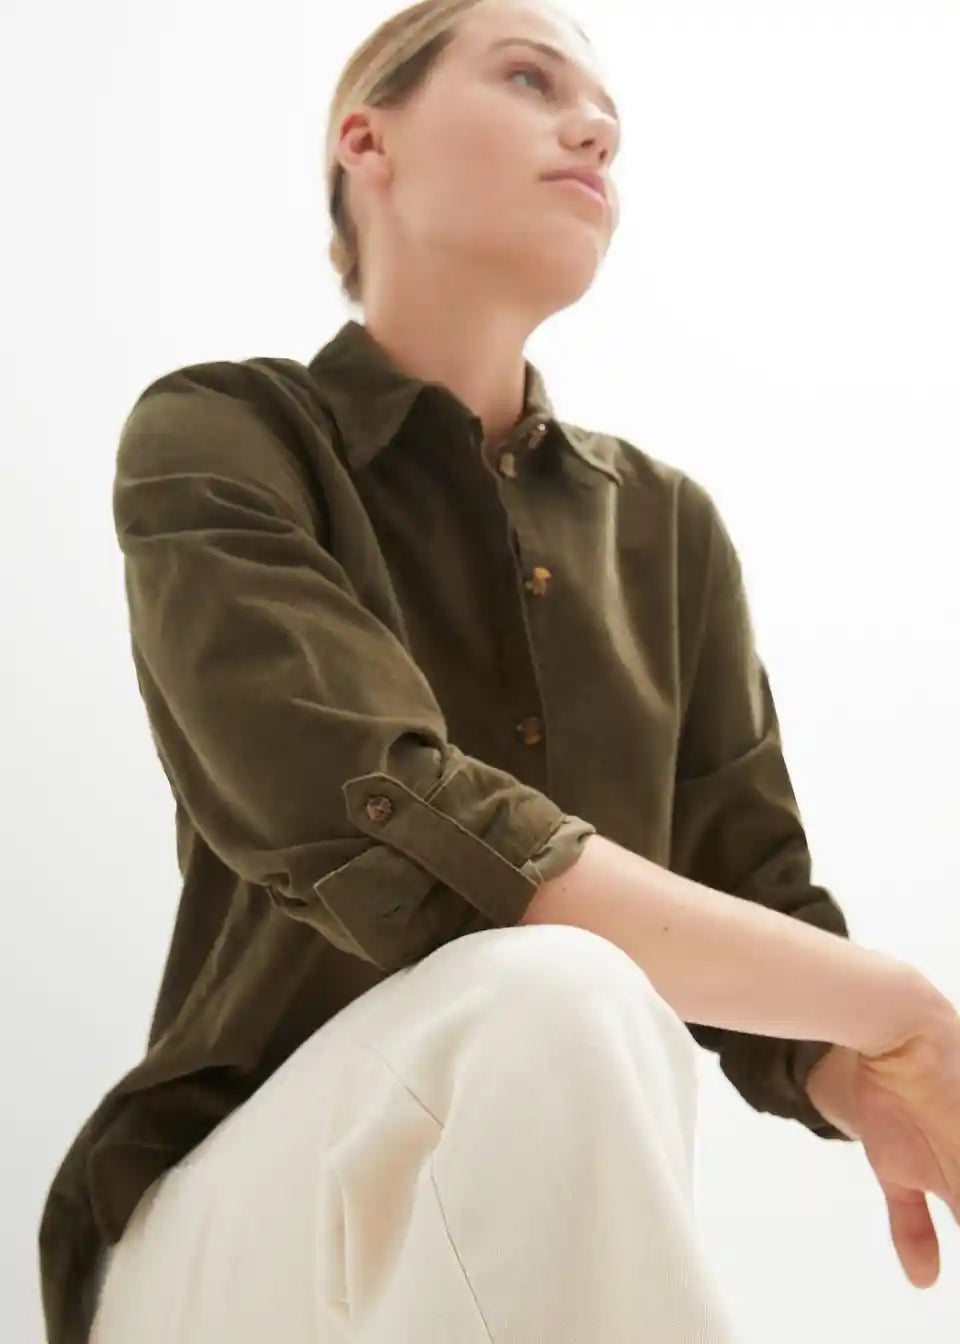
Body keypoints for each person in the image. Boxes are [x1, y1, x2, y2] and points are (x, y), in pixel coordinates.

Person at [38, 1, 960, 1341]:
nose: (593, 130)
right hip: (234, 1237)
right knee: (560, 991)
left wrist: (845, 1064)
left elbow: (751, 890)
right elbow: (373, 804)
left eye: (610, 120)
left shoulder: (669, 530)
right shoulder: (224, 433)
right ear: (367, 140)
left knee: (582, 1011)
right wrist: (891, 1004)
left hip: (510, 1220)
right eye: (530, 78)